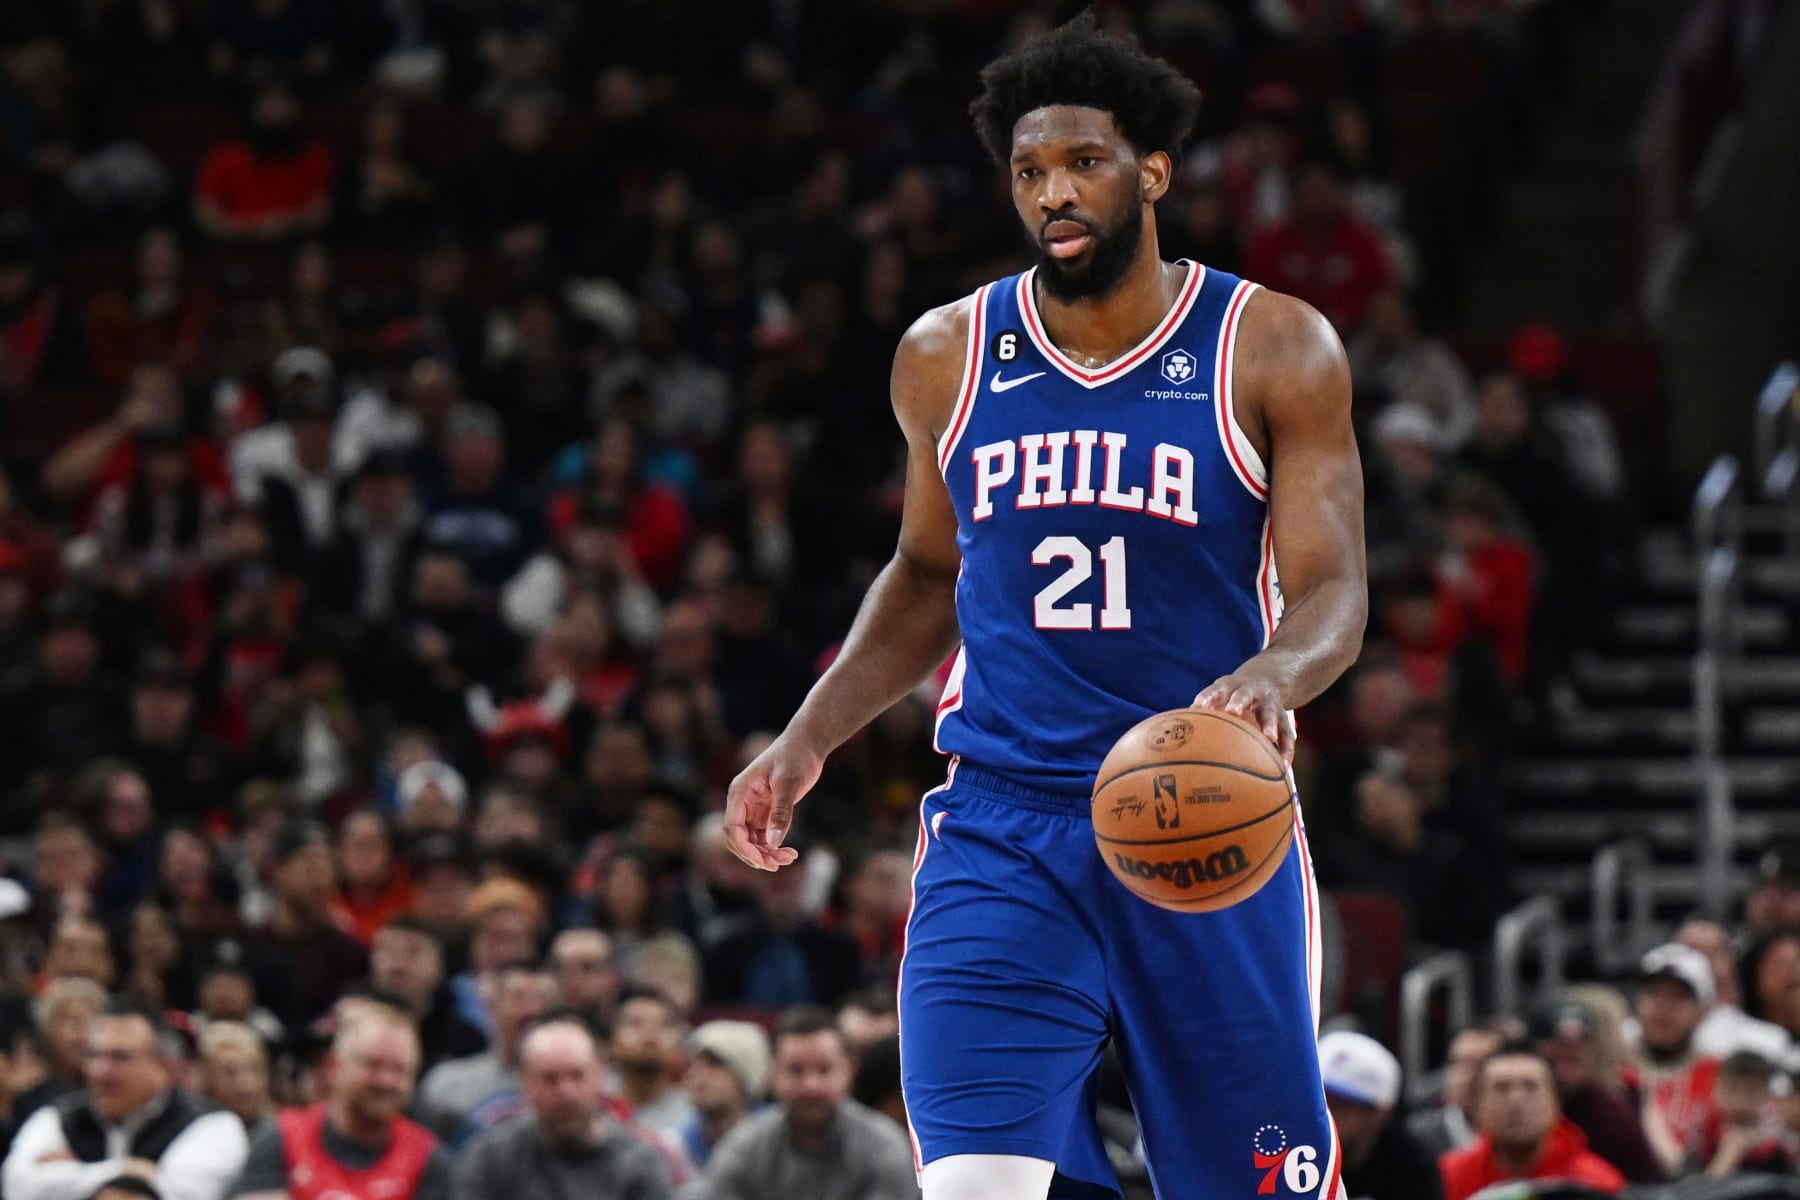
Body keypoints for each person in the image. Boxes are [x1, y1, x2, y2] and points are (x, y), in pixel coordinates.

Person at [721, 15, 1366, 1199]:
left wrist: (1277, 673)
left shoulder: (1271, 344)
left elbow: (1332, 585)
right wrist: (810, 736)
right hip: (1004, 825)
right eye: (1029, 173)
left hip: (1204, 823)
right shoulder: (947, 352)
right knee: (977, 1189)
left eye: (1083, 163)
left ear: (1153, 171)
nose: (1053, 194)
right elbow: (926, 574)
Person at [2, 998, 249, 1200]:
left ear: (164, 1066)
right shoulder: (59, 1116)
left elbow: (184, 1194)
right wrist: (125, 1170)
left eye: (120, 1057)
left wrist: (71, 1177)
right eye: (93, 1055)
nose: (100, 1071)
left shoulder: (212, 1124)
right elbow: (18, 1186)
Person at [226, 1003, 451, 1200]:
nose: (386, 1080)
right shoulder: (282, 1137)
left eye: (399, 1070)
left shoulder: (427, 1159)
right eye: (373, 1065)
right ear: (335, 1066)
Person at [450, 1015, 676, 1200]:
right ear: (525, 1083)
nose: (566, 1093)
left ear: (601, 1076)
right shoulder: (490, 1160)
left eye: (577, 1076)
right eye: (550, 1079)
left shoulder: (641, 1164)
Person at [703, 1008, 915, 1200]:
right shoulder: (743, 1149)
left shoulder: (883, 1146)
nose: (811, 1086)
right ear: (773, 1073)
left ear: (849, 1070)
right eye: (796, 1070)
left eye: (824, 1069)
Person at [1438, 1043, 1625, 1200]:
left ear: (1557, 1103)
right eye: (1501, 1088)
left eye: (1530, 1087)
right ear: (1477, 1105)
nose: (1515, 1101)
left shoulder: (1596, 1184)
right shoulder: (1449, 1178)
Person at [416, 960, 556, 1137]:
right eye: (519, 997)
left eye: (543, 999)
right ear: (492, 1008)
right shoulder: (446, 1085)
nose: (532, 1010)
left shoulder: (575, 1086)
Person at [1626, 942, 1723, 1173]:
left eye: (1679, 997)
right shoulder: (1615, 1073)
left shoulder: (1720, 1077)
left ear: (1703, 1010)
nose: (1663, 1007)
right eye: (1653, 993)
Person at [1315, 1031, 1442, 1200]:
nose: (1327, 1112)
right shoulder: (1300, 1153)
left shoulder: (1411, 1166)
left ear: (1379, 1113)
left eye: (1340, 1105)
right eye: (1320, 1101)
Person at [1407, 1022, 1508, 1160]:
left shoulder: (1526, 1137)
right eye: (1457, 1063)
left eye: (1479, 1064)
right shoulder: (1418, 1137)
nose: (1465, 1076)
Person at [678, 1020, 770, 1167]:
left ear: (746, 1078)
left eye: (714, 1064)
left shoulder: (777, 1142)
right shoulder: (675, 1144)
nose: (695, 1074)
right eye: (692, 1064)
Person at [608, 987, 696, 1140]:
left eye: (664, 1025)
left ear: (680, 1046)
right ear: (612, 1042)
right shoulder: (593, 1102)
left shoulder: (693, 1114)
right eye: (635, 1023)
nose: (649, 1034)